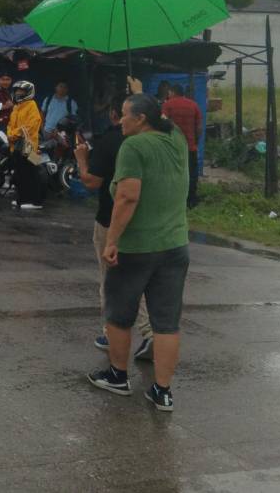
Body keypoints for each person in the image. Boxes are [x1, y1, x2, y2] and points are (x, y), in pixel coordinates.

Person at [87, 93, 190, 412]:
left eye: (126, 115)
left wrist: (113, 240)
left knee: (119, 314)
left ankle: (118, 376)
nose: (120, 121)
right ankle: (163, 392)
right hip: (174, 247)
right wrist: (137, 90)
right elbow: (165, 119)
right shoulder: (176, 137)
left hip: (136, 247)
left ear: (141, 119)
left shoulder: (133, 147)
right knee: (166, 322)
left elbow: (128, 196)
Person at [73, 97, 153, 361]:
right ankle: (151, 333)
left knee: (111, 282)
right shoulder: (160, 141)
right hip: (148, 221)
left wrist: (82, 158)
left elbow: (92, 182)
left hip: (111, 221)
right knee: (141, 281)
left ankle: (111, 334)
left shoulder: (112, 142)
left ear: (115, 114)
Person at [161, 83, 203, 208]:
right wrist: (195, 142)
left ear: (172, 92)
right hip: (190, 147)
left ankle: (175, 200)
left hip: (172, 147)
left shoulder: (167, 105)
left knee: (172, 174)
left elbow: (163, 124)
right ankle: (191, 200)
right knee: (191, 174)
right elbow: (199, 127)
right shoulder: (194, 105)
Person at [6, 79, 44, 210]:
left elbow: (29, 127)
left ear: (28, 92)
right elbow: (10, 124)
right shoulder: (16, 107)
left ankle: (36, 201)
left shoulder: (32, 106)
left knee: (32, 174)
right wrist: (10, 134)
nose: (18, 93)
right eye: (17, 90)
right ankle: (22, 199)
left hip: (29, 147)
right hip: (17, 146)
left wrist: (13, 134)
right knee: (20, 174)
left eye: (21, 91)